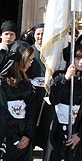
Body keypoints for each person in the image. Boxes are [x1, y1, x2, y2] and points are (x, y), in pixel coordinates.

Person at [27, 23, 54, 151]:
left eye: (43, 34)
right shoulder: (30, 50)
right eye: (38, 34)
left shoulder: (52, 52)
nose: (40, 36)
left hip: (47, 92)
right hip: (33, 92)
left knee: (46, 121)